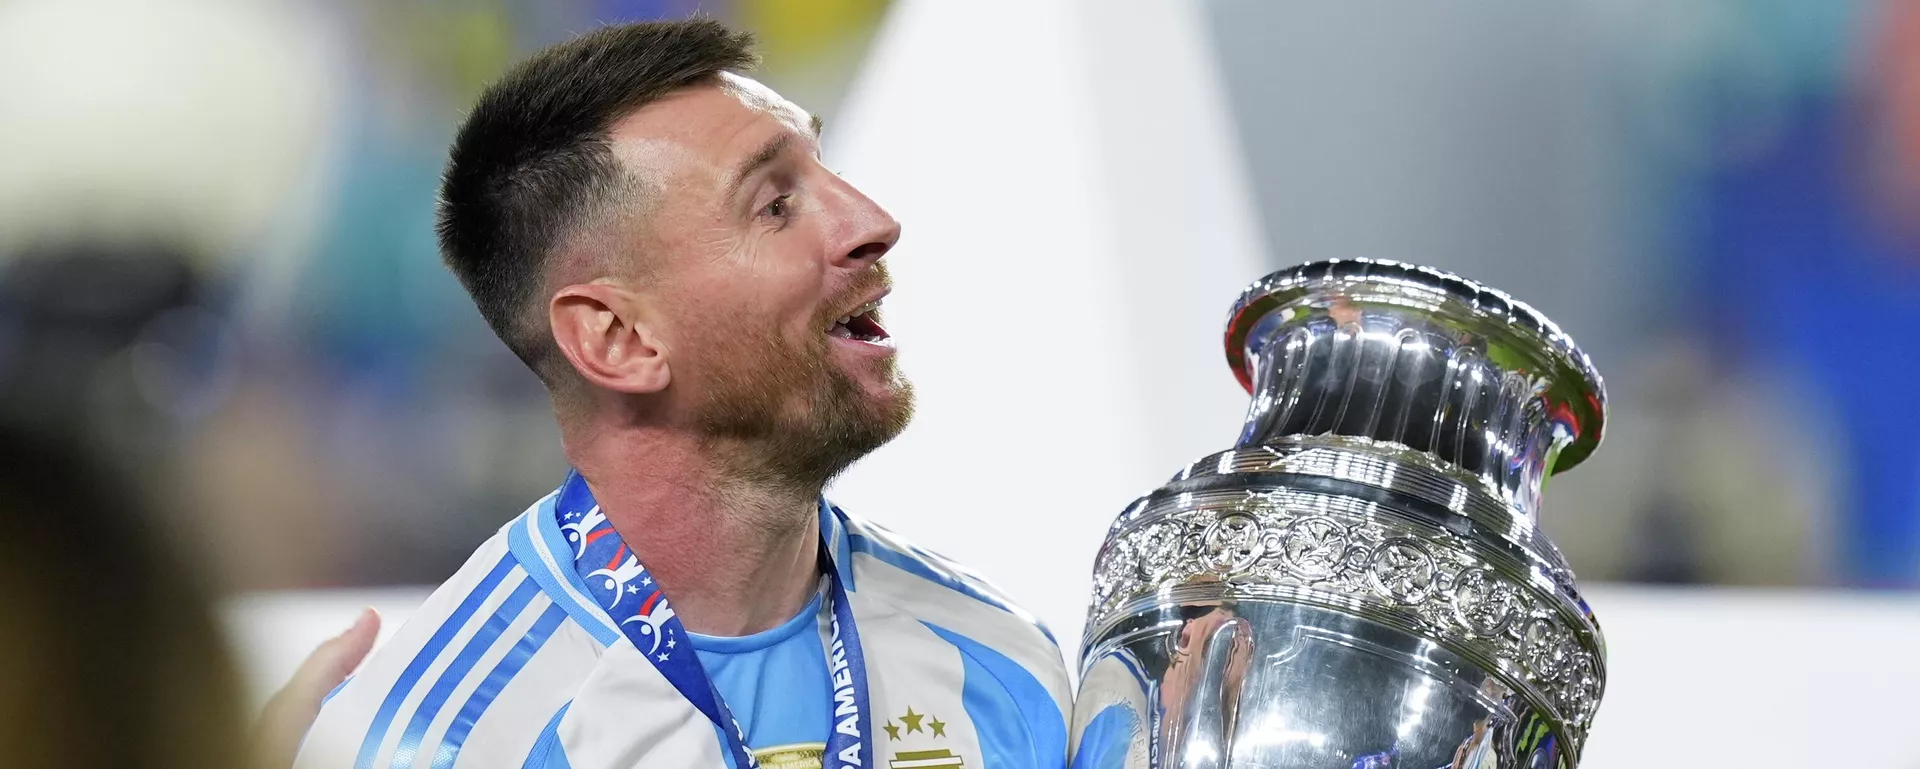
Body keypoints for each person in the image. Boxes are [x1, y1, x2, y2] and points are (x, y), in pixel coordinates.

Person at [297, 19, 1071, 769]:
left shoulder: (1002, 665)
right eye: (776, 205)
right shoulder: (445, 742)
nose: (874, 221)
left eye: (826, 169)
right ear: (616, 338)